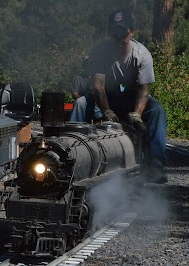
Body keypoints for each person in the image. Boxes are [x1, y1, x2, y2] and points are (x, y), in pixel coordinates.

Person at [70, 10, 168, 184]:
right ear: (109, 33)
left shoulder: (142, 56)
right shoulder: (100, 53)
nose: (119, 39)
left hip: (132, 98)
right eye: (115, 34)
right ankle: (71, 156)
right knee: (80, 104)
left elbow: (143, 90)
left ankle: (156, 164)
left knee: (158, 110)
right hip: (106, 97)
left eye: (123, 33)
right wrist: (107, 111)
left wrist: (137, 113)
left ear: (131, 32)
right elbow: (98, 87)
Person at [69, 56, 102, 122]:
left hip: (97, 100)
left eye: (90, 64)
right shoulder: (78, 78)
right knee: (79, 102)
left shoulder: (98, 77)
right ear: (83, 65)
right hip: (85, 101)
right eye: (86, 64)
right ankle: (77, 124)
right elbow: (74, 94)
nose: (88, 66)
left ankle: (102, 119)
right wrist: (86, 100)